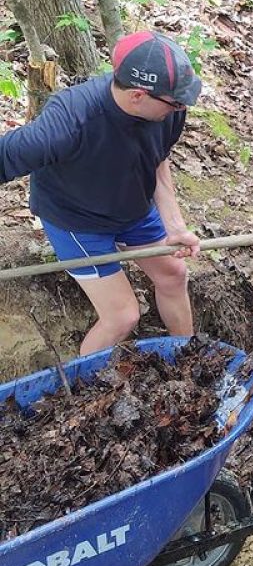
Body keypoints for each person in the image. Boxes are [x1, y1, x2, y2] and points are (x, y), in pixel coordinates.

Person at [0, 30, 202, 356]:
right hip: (78, 222)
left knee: (174, 275)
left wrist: (174, 224)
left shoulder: (168, 109)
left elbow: (158, 158)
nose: (182, 107)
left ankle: (189, 358)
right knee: (122, 315)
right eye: (176, 101)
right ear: (137, 95)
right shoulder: (68, 121)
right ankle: (84, 395)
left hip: (132, 206)